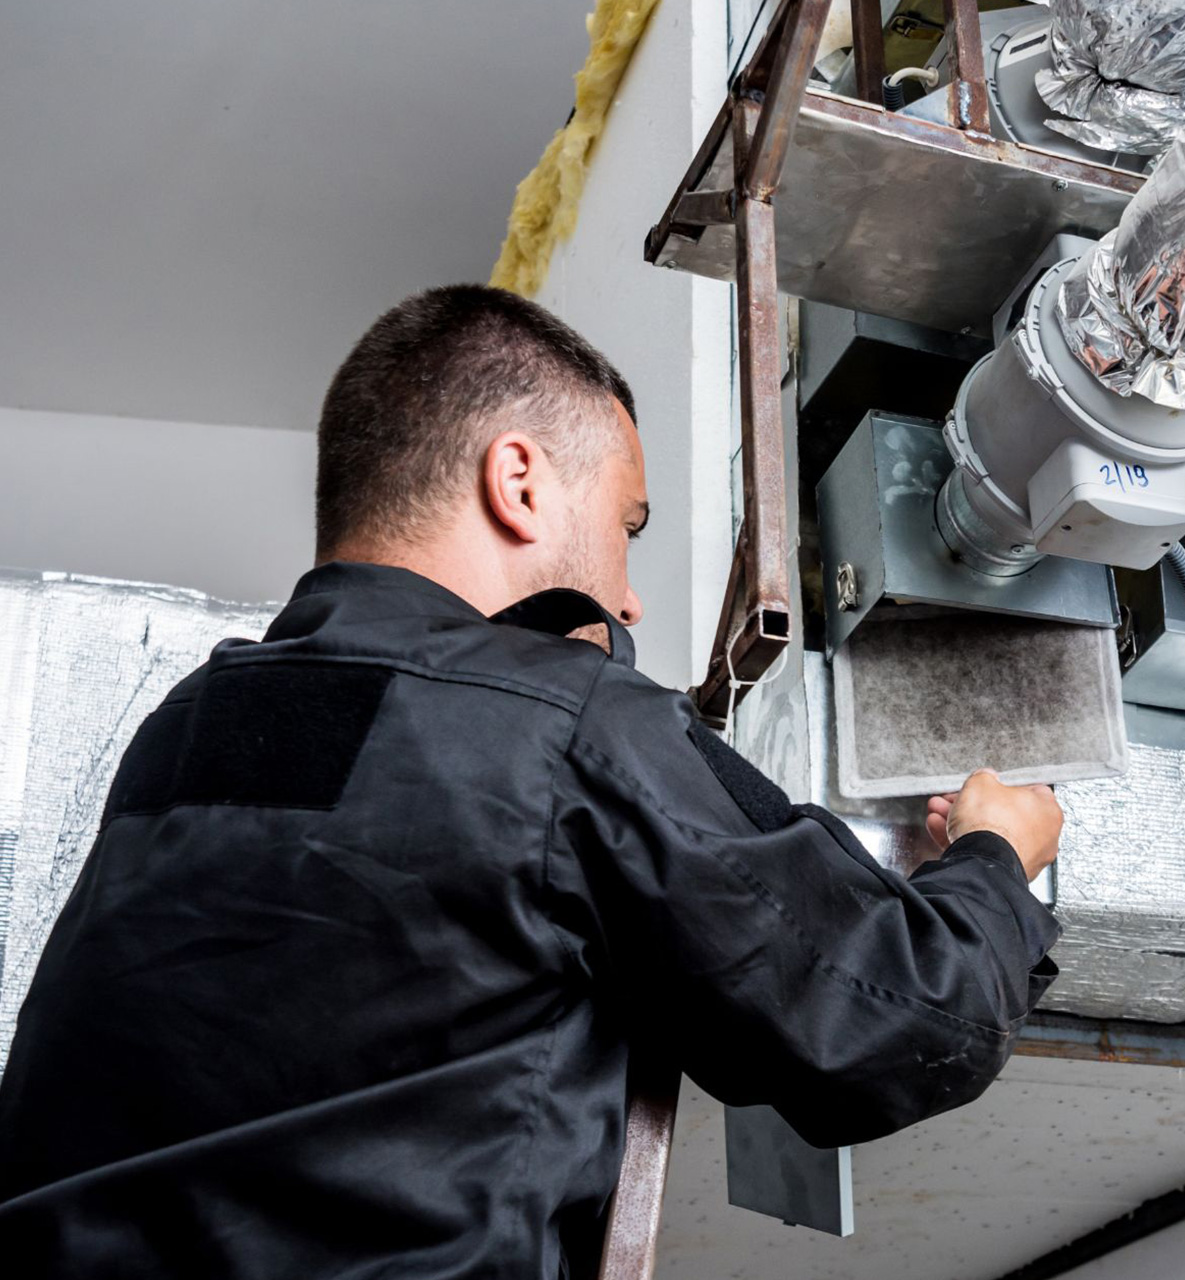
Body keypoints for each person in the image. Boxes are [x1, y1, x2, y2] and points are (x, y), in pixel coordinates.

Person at [0, 285, 1065, 1277]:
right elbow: (897, 1015)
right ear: (519, 482)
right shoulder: (555, 715)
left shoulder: (181, 730)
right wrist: (995, 859)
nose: (632, 598)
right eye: (626, 524)